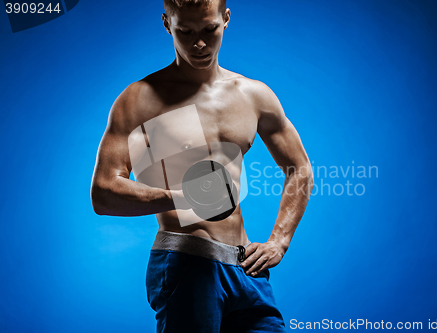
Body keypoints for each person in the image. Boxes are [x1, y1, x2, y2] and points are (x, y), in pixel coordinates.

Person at [90, 0, 313, 331]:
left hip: (245, 270)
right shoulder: (141, 99)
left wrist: (279, 240)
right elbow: (104, 192)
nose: (199, 44)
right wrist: (187, 197)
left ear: (225, 20)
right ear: (167, 24)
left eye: (209, 30)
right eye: (185, 31)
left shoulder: (253, 95)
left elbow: (301, 169)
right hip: (186, 262)